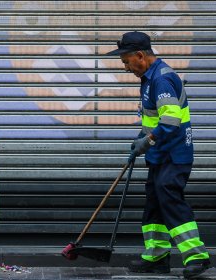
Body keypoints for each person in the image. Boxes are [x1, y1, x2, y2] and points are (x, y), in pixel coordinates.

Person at [106, 31, 210, 279]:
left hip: (174, 155)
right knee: (154, 203)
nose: (125, 67)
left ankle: (197, 256)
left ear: (140, 55)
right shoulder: (149, 79)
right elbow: (154, 118)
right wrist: (140, 139)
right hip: (160, 155)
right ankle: (157, 256)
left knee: (169, 198)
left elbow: (171, 120)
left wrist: (148, 141)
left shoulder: (162, 79)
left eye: (126, 61)